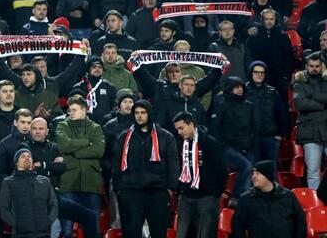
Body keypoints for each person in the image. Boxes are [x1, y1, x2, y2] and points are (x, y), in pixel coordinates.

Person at [112, 99, 179, 238]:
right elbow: (117, 164)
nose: (139, 116)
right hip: (130, 193)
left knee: (158, 234)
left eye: (143, 112)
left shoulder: (166, 136)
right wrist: (119, 190)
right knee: (130, 234)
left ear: (149, 114)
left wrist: (170, 189)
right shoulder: (125, 137)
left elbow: (173, 164)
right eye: (136, 113)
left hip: (157, 193)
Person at [173, 112, 229, 238]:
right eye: (177, 129)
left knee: (205, 234)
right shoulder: (180, 143)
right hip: (186, 195)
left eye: (181, 128)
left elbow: (222, 169)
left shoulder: (210, 142)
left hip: (207, 195)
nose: (179, 132)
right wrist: (181, 189)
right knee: (181, 234)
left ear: (191, 124)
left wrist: (216, 191)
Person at [55, 95, 104, 238]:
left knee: (93, 229)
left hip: (91, 183)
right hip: (68, 184)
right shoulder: (62, 125)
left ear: (84, 110)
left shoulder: (95, 128)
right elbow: (65, 144)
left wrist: (74, 152)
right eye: (70, 110)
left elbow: (99, 150)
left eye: (75, 110)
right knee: (67, 230)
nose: (71, 113)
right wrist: (87, 143)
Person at [210, 77, 259, 205]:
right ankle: (236, 198)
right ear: (229, 88)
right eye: (236, 87)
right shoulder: (222, 105)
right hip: (228, 147)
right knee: (247, 166)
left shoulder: (249, 106)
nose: (239, 90)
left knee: (249, 172)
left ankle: (244, 202)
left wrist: (251, 143)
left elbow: (255, 127)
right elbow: (215, 128)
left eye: (241, 87)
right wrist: (221, 145)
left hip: (248, 146)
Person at [231, 160, 307, 238]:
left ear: (267, 175)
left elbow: (300, 223)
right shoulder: (246, 199)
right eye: (253, 173)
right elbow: (237, 228)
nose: (253, 176)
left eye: (257, 173)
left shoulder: (288, 196)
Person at [0, 148, 58, 238]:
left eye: (29, 156)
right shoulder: (8, 182)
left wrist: (47, 222)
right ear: (16, 163)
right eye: (23, 156)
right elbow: (3, 208)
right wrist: (17, 225)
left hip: (43, 234)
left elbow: (53, 204)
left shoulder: (45, 181)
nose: (27, 158)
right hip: (20, 234)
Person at [293, 52, 327, 189]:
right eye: (311, 66)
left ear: (321, 67)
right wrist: (323, 104)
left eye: (317, 66)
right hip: (309, 133)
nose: (314, 68)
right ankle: (317, 204)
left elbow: (307, 102)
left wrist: (311, 96)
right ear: (306, 66)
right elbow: (301, 104)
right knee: (313, 172)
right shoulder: (298, 84)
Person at [0, 108, 33, 184]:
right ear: (15, 122)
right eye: (23, 122)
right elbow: (0, 173)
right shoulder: (5, 143)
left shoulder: (35, 140)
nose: (26, 126)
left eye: (29, 123)